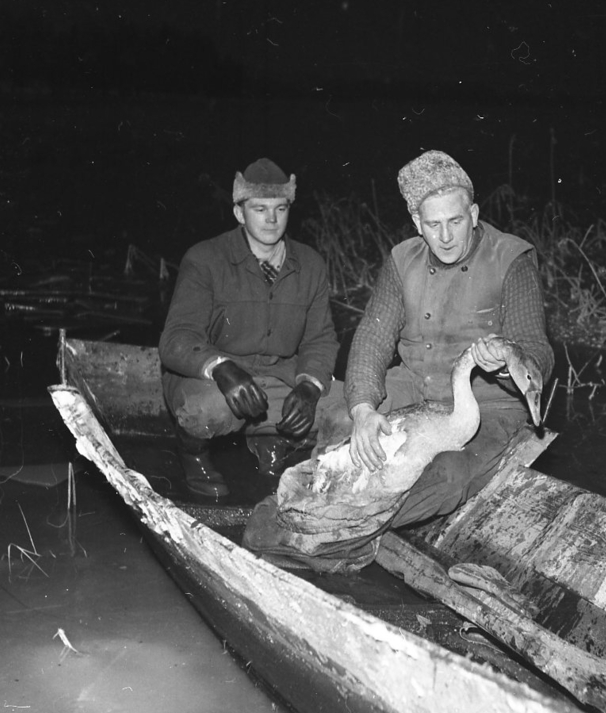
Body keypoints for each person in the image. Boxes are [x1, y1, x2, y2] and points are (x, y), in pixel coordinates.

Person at [326, 148, 554, 528]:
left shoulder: (510, 259)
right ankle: (335, 507)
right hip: (417, 387)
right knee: (339, 418)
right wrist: (363, 408)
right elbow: (372, 337)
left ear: (475, 214)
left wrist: (502, 368)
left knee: (447, 477)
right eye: (433, 224)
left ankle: (352, 527)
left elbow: (536, 350)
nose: (446, 237)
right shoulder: (402, 260)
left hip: (488, 405)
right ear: (417, 222)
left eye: (456, 220)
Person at [159, 157, 339, 501]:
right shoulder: (205, 259)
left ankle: (271, 439)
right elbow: (176, 338)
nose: (272, 219)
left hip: (278, 375)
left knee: (347, 414)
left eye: (280, 208)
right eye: (259, 209)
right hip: (211, 381)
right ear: (240, 213)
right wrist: (220, 367)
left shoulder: (311, 264)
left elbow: (321, 339)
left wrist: (310, 385)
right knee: (207, 412)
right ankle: (192, 454)